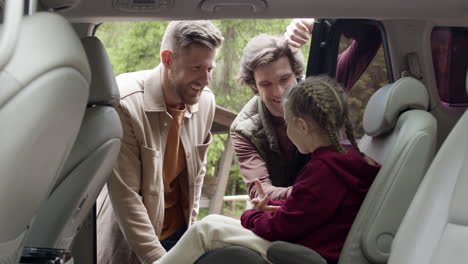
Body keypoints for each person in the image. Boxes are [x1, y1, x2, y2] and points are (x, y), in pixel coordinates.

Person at [154, 75, 381, 264]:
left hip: (304, 251)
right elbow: (310, 210)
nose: (287, 129)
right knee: (210, 221)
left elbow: (284, 227)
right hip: (308, 242)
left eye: (288, 122)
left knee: (204, 231)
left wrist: (252, 215)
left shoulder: (324, 169)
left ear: (302, 125)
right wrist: (273, 209)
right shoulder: (347, 159)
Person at [96, 21, 224, 264]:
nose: (206, 80)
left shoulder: (206, 102)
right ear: (167, 59)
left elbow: (196, 176)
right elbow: (127, 197)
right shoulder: (125, 102)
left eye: (210, 69)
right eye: (197, 68)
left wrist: (190, 237)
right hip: (131, 240)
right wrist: (157, 260)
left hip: (179, 236)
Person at [230, 19, 381, 201]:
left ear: (297, 73)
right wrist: (317, 190)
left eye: (285, 79)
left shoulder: (322, 89)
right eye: (266, 84)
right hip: (292, 214)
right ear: (254, 86)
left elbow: (371, 36)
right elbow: (261, 192)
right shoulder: (243, 129)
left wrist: (317, 23)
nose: (278, 92)